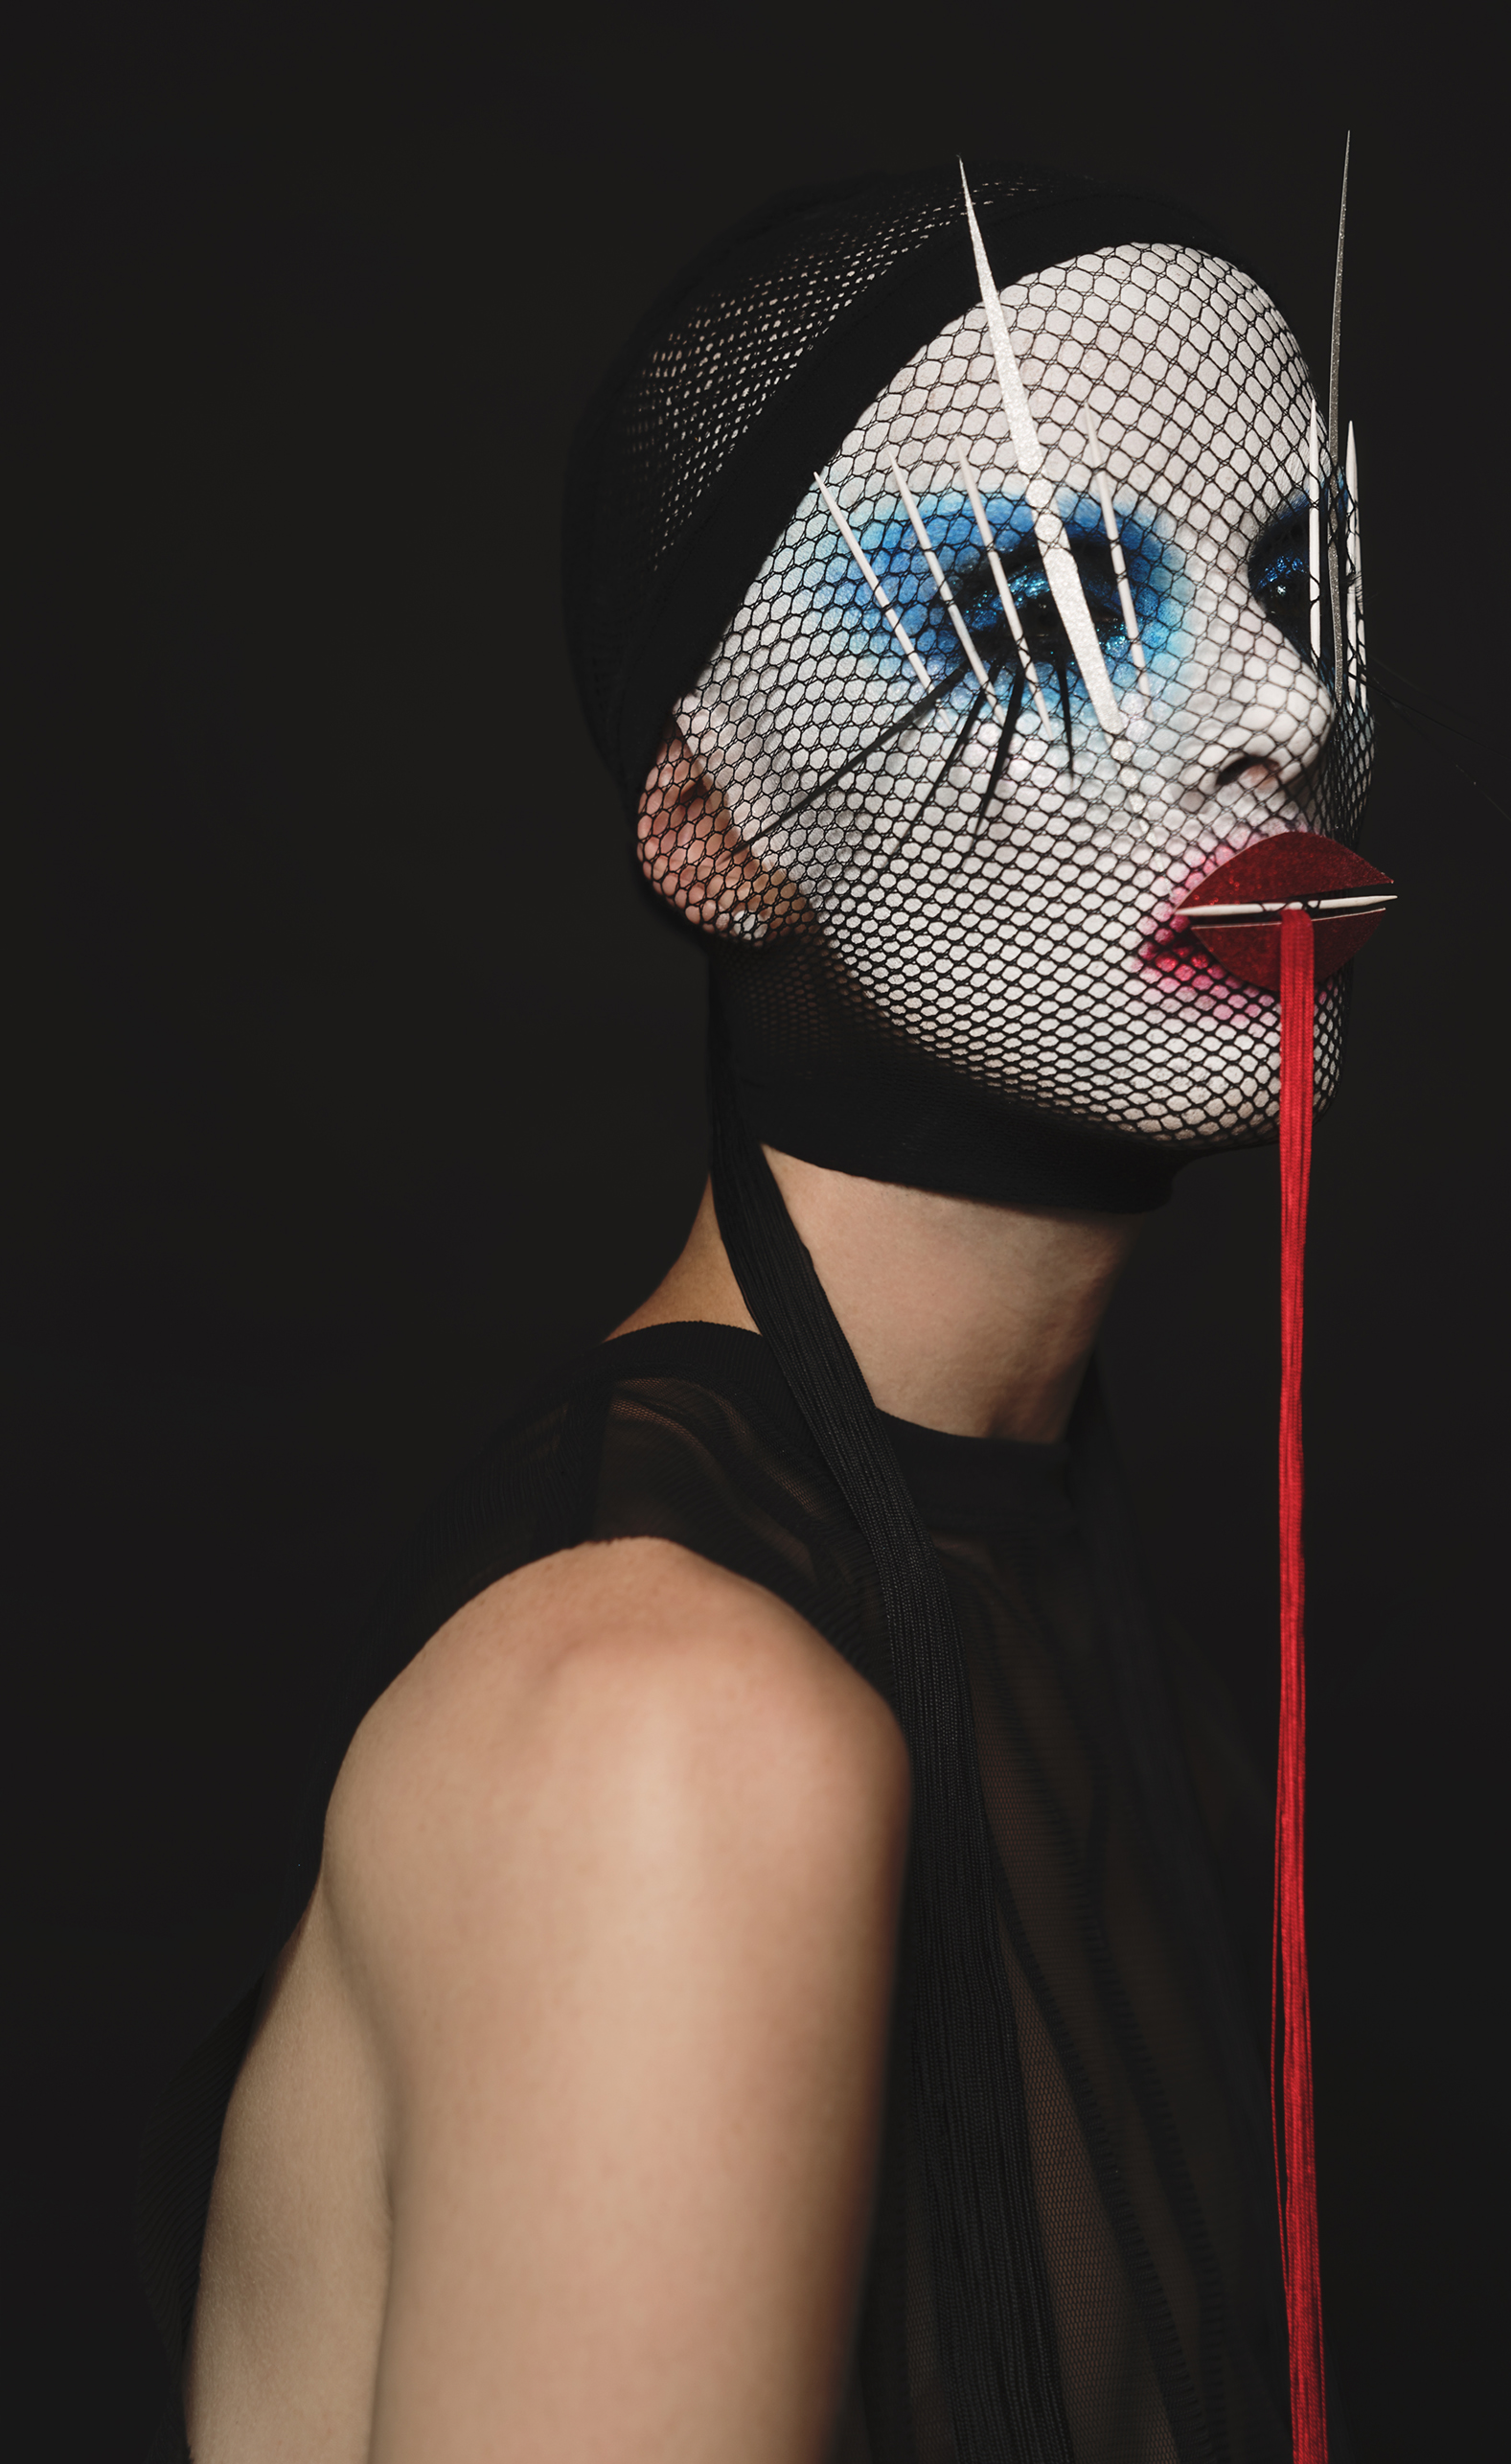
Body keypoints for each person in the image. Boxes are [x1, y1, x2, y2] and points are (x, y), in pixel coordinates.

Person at [138, 160, 1375, 2462]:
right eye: (1043, 604)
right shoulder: (669, 1739)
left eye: (1290, 576)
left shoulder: (1093, 1652)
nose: (1281, 705)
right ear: (715, 835)